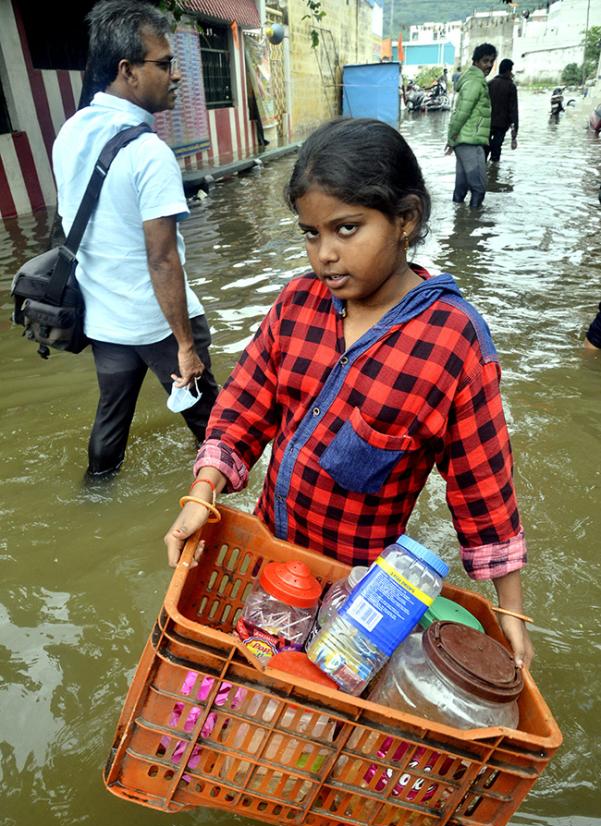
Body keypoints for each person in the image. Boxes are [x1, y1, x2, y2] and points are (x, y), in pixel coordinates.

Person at [164, 117, 534, 670]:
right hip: (274, 559)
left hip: (357, 595)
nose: (325, 256)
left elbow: (483, 488)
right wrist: (203, 492)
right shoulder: (298, 303)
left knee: (321, 707)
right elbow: (245, 404)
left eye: (346, 229)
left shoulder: (452, 343)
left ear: (404, 219)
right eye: (311, 233)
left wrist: (511, 614)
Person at [53, 0, 218, 477]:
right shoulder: (148, 152)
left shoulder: (69, 133)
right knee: (213, 422)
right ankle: (225, 502)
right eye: (164, 63)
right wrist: (186, 346)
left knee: (110, 428)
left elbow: (74, 222)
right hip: (161, 323)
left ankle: (96, 497)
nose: (176, 75)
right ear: (127, 71)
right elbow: (163, 260)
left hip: (105, 321)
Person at [446, 43, 497, 208]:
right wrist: (451, 138)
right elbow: (462, 112)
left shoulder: (471, 79)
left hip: (463, 140)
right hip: (470, 141)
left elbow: (460, 112)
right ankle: (472, 227)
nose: (489, 65)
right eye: (485, 61)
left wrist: (453, 139)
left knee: (461, 188)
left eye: (491, 61)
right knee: (479, 188)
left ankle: (458, 225)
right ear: (476, 61)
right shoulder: (475, 82)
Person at [487, 58, 519, 162]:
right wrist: (514, 135)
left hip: (487, 123)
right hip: (502, 125)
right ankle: (494, 174)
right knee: (496, 152)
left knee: (484, 149)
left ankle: (484, 174)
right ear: (509, 71)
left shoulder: (490, 83)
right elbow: (514, 111)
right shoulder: (511, 86)